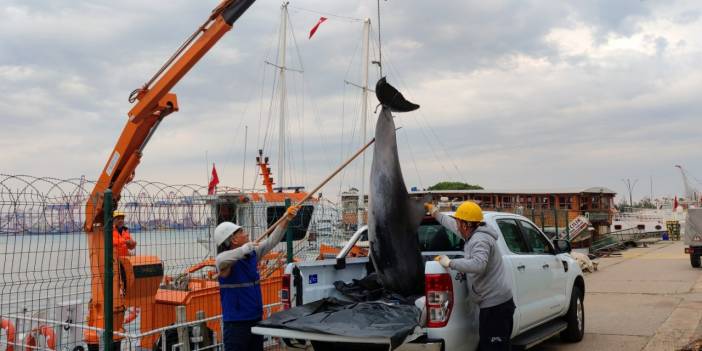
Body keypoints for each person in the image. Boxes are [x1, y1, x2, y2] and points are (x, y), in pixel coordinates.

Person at [426, 201, 515, 351]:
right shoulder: (472, 232)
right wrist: (435, 213)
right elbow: (451, 225)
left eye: (459, 221)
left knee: (494, 348)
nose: (456, 224)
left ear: (466, 225)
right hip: (493, 304)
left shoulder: (480, 239)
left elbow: (479, 265)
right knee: (492, 346)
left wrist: (450, 263)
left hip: (495, 307)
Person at [214, 205, 300, 351]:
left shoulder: (252, 254)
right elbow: (221, 260)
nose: (246, 233)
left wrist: (286, 218)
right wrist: (242, 250)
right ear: (234, 240)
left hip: (255, 318)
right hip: (236, 325)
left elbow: (272, 240)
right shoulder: (226, 263)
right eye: (241, 232)